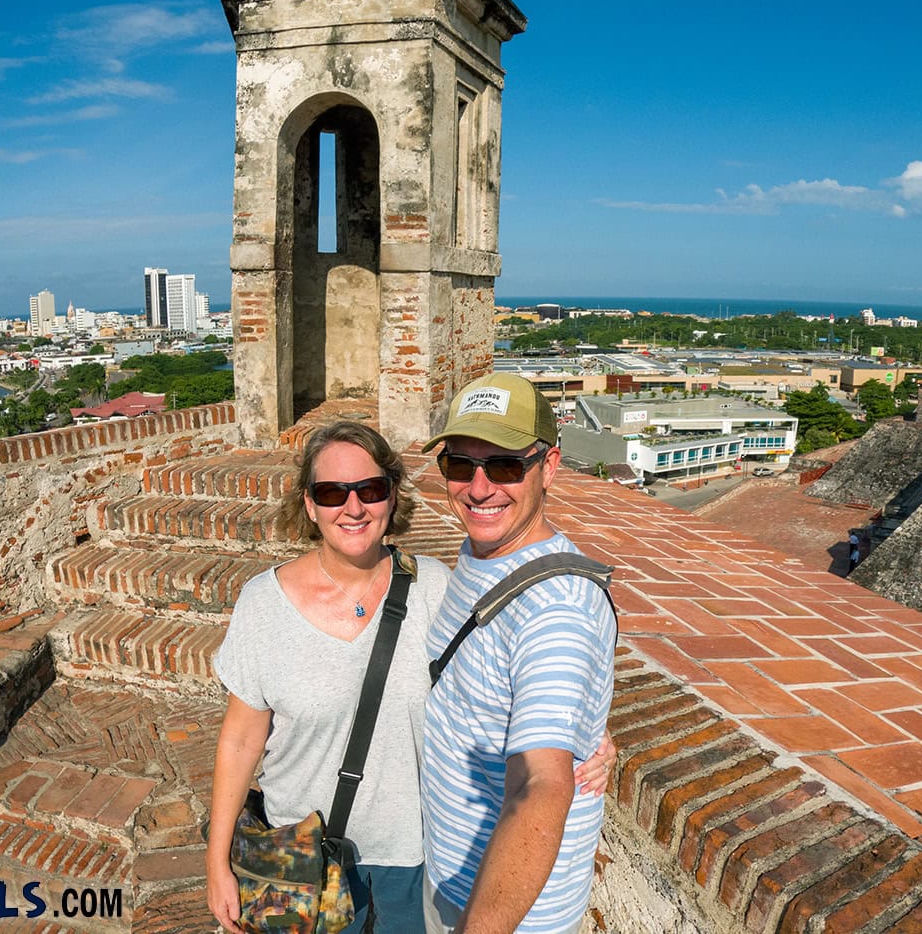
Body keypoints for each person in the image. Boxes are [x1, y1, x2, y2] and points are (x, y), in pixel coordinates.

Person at [207, 420, 613, 934]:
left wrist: (591, 728)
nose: (353, 508)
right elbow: (241, 740)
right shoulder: (263, 604)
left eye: (370, 490)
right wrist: (217, 860)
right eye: (332, 492)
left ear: (392, 498)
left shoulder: (436, 593)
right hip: (302, 860)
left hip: (412, 862)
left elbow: (506, 679)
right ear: (309, 505)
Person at [420, 374, 617, 934]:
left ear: (549, 466)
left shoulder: (558, 611)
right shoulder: (484, 556)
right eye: (461, 465)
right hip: (453, 871)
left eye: (505, 466)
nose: (480, 489)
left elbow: (541, 786)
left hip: (502, 913)